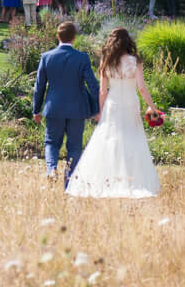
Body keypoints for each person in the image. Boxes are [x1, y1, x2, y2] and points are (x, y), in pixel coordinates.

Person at [66, 27, 161, 199]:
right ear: (128, 42)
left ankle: (105, 179)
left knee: (109, 138)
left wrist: (101, 111)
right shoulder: (135, 61)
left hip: (113, 104)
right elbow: (141, 88)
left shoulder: (107, 61)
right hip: (130, 103)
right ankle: (132, 180)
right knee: (132, 138)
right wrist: (152, 107)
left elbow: (102, 91)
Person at [32, 20, 100, 188]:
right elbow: (93, 85)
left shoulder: (46, 57)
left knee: (51, 143)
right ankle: (68, 182)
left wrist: (36, 110)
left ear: (57, 36)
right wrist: (98, 108)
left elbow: (39, 86)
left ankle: (51, 168)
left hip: (53, 108)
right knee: (75, 147)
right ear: (74, 38)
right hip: (77, 109)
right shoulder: (82, 58)